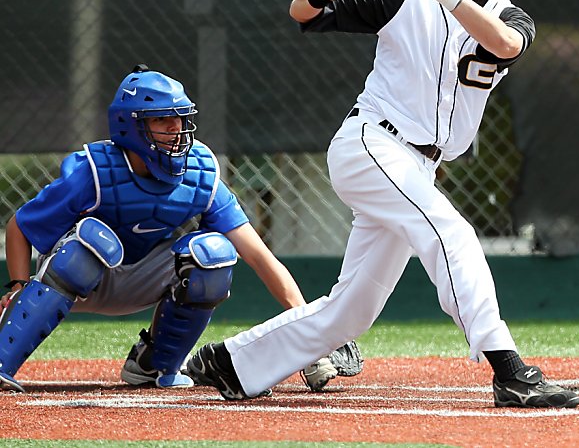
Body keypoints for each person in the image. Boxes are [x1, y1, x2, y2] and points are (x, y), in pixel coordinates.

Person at [186, 0, 579, 409]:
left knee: (354, 309)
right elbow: (303, 13)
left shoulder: (507, 14)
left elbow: (504, 44)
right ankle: (508, 369)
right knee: (450, 233)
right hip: (372, 144)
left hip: (419, 165)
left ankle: (232, 363)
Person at [0, 65, 360, 392]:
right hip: (77, 281)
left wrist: (308, 332)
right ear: (131, 126)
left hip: (142, 281)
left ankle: (155, 366)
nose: (176, 128)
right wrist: (18, 286)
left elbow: (259, 257)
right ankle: (4, 359)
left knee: (215, 254)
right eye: (163, 120)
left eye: (180, 118)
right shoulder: (92, 172)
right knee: (89, 246)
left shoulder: (200, 174)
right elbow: (20, 226)